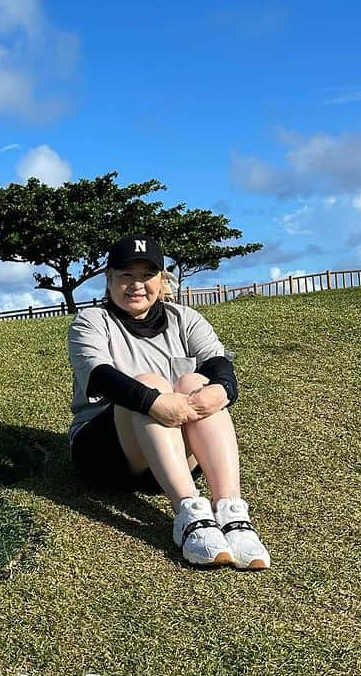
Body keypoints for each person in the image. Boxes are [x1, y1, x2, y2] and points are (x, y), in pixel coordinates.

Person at [67, 234, 270, 569]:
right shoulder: (91, 322)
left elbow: (221, 367)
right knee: (149, 385)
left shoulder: (185, 319)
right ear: (109, 279)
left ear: (161, 280)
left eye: (146, 275)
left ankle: (232, 514)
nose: (136, 285)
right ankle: (189, 515)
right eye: (125, 275)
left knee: (198, 383)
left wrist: (222, 391)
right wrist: (155, 402)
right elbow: (100, 376)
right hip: (106, 453)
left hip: (171, 454)